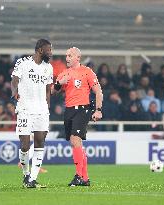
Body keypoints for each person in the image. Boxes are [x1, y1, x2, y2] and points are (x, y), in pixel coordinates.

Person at [52, 47, 103, 186]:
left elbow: (98, 91)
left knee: (75, 140)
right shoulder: (64, 73)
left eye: (70, 55)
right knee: (76, 143)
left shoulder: (87, 72)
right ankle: (85, 178)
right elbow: (52, 91)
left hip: (82, 109)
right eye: (66, 55)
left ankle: (78, 175)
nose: (67, 58)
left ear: (78, 58)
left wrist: (98, 110)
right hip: (69, 110)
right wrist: (58, 84)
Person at [11, 39, 53, 188]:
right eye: (49, 50)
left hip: (41, 110)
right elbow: (14, 80)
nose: (51, 53)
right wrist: (14, 92)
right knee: (25, 144)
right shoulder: (22, 62)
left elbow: (48, 90)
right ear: (40, 50)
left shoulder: (48, 68)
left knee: (40, 142)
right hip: (25, 109)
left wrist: (48, 107)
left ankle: (33, 179)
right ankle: (25, 174)